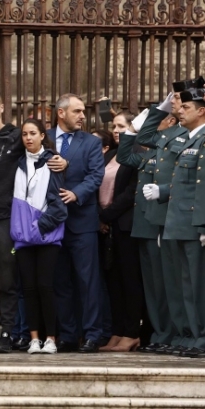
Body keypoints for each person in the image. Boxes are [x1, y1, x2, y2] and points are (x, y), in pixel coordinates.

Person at [0, 88, 65, 353]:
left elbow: (39, 150)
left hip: (6, 218)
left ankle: (7, 333)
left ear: (2, 107)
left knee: (7, 280)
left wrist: (62, 162)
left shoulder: (15, 136)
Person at [134, 79, 201, 354]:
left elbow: (200, 184)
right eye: (178, 103)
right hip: (174, 221)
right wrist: (162, 107)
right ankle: (185, 335)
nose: (179, 109)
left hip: (192, 222)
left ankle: (197, 335)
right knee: (180, 285)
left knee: (195, 285)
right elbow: (141, 133)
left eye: (185, 105)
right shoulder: (177, 137)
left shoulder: (197, 138)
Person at [116, 108, 178, 353]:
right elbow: (124, 156)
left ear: (170, 122)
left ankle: (169, 333)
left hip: (158, 224)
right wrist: (130, 130)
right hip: (143, 225)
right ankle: (159, 334)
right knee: (152, 288)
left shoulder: (171, 148)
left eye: (158, 121)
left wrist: (155, 115)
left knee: (165, 286)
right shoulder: (153, 153)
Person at [49, 93, 105, 353]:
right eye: (77, 111)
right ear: (61, 113)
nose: (83, 116)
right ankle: (68, 335)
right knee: (60, 281)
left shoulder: (91, 142)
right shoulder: (44, 137)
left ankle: (93, 334)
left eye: (83, 111)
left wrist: (77, 193)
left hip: (82, 221)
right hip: (51, 223)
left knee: (88, 280)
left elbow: (96, 175)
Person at [11, 118, 67, 354]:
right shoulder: (17, 162)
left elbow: (59, 206)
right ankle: (34, 338)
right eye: (24, 134)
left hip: (45, 235)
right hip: (22, 237)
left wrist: (38, 226)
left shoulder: (53, 162)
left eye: (33, 133)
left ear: (43, 135)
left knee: (45, 286)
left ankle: (51, 338)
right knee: (29, 288)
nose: (28, 138)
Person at [97, 111, 143, 352]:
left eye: (121, 126)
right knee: (113, 282)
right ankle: (117, 331)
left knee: (129, 280)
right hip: (107, 228)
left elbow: (131, 192)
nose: (116, 130)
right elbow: (96, 184)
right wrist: (99, 216)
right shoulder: (110, 155)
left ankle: (132, 332)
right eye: (114, 126)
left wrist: (106, 215)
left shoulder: (136, 154)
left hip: (126, 225)